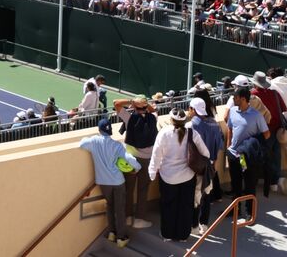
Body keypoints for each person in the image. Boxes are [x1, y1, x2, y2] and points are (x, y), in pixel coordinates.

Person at [148, 109, 210, 242]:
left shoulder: (164, 133)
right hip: (188, 177)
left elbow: (156, 155)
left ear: (171, 120)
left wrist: (152, 173)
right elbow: (206, 153)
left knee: (168, 206)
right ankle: (183, 235)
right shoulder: (192, 133)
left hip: (168, 177)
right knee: (185, 206)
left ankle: (167, 234)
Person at [79, 118, 140, 249]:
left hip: (103, 182)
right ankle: (121, 238)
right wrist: (137, 167)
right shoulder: (117, 145)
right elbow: (129, 158)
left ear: (99, 130)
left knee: (110, 206)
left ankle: (111, 232)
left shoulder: (94, 141)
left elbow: (81, 144)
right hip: (117, 181)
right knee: (120, 209)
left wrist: (92, 137)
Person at [225, 86, 269, 217]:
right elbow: (230, 129)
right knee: (235, 183)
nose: (233, 99)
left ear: (243, 99)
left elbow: (266, 134)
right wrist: (228, 148)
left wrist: (250, 144)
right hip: (233, 154)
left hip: (244, 158)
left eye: (235, 97)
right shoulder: (233, 111)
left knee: (249, 183)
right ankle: (235, 210)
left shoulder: (256, 115)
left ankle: (250, 212)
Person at [119, 96, 158, 229]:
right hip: (147, 160)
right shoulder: (153, 118)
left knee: (128, 189)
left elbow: (116, 104)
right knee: (143, 190)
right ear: (146, 107)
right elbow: (153, 110)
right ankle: (139, 219)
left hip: (131, 160)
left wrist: (132, 102)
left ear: (135, 107)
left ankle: (128, 217)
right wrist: (144, 104)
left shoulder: (129, 118)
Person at [189, 97, 224, 234]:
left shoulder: (192, 125)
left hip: (196, 167)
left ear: (193, 109)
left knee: (196, 196)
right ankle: (204, 224)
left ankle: (194, 226)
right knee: (206, 194)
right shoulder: (214, 124)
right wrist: (215, 164)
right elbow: (219, 146)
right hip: (210, 165)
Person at [249, 71, 286, 196]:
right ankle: (275, 181)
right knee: (276, 156)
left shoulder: (253, 95)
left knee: (264, 157)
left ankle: (263, 181)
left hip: (264, 130)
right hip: (278, 128)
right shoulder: (274, 93)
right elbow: (284, 108)